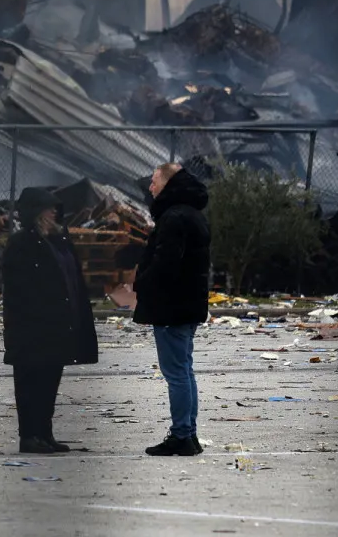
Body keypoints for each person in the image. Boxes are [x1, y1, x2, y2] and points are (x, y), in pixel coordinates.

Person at [113, 161, 212, 457]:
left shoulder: (174, 218)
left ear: (168, 184)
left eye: (155, 181)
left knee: (177, 372)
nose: (150, 187)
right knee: (184, 369)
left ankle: (182, 434)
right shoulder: (192, 214)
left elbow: (166, 264)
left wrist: (141, 283)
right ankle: (188, 433)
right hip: (187, 304)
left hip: (173, 307)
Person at [1, 187, 99, 454]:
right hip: (31, 327)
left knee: (49, 381)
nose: (54, 211)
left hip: (58, 325)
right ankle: (29, 435)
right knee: (30, 382)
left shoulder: (59, 241)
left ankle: (44, 433)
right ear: (35, 212)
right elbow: (17, 288)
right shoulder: (22, 244)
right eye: (48, 208)